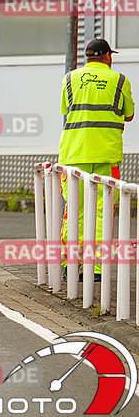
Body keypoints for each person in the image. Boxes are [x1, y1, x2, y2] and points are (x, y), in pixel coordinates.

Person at [59, 38, 134, 280]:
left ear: (88, 57)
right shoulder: (119, 80)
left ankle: (71, 265)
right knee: (102, 213)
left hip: (73, 155)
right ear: (106, 57)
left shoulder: (70, 79)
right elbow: (130, 115)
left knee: (75, 211)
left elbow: (65, 110)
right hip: (106, 156)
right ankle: (98, 270)